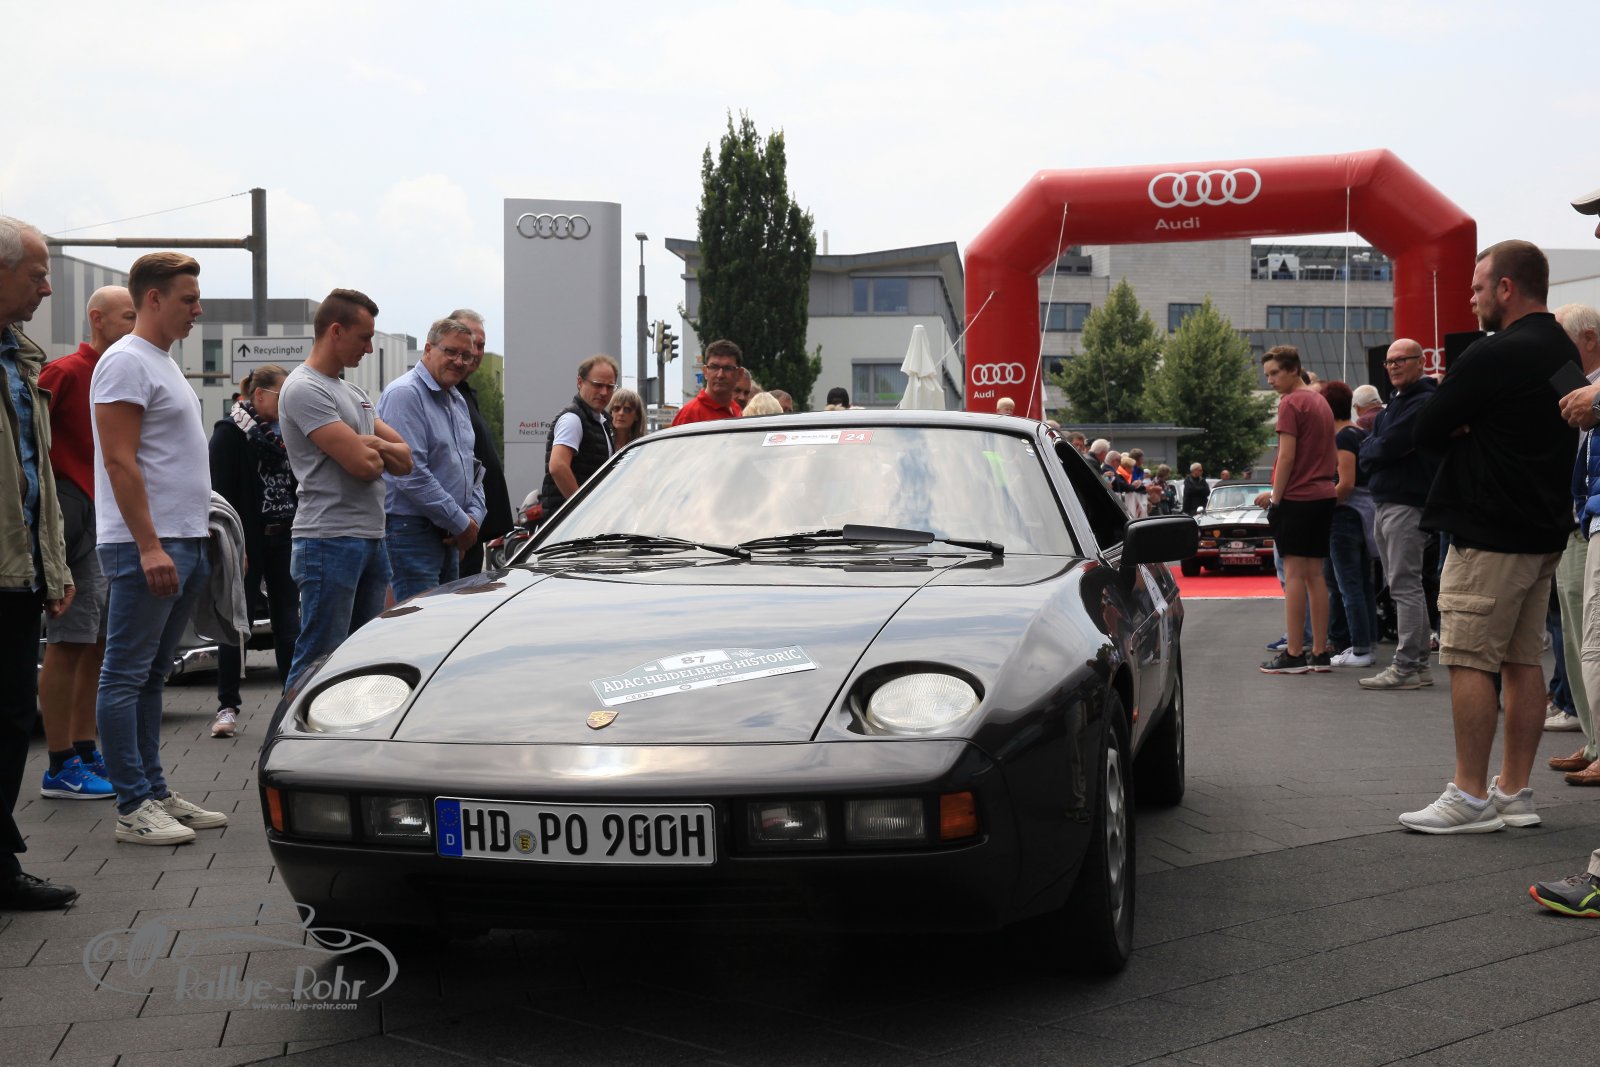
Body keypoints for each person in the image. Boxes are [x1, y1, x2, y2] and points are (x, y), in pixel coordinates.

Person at [1401, 240, 1578, 835]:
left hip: (1488, 529)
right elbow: (1572, 418)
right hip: (1542, 530)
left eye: (1478, 287)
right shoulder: (1561, 347)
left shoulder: (1492, 352)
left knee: (1469, 658)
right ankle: (1514, 792)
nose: (1472, 298)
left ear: (1506, 288)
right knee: (1523, 660)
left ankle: (1470, 795)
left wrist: (1468, 424)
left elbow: (1426, 427)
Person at [91, 252, 229, 845]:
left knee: (150, 675)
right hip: (145, 543)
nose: (198, 310)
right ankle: (132, 806)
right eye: (188, 299)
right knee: (125, 676)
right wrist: (149, 546)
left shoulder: (161, 361)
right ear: (153, 298)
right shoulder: (125, 362)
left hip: (183, 538)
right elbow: (119, 461)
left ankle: (152, 790)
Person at [0, 216, 78, 905]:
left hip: (19, 574)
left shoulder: (21, 360)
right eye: (37, 274)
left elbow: (36, 478)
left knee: (9, 720)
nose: (48, 288)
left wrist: (53, 567)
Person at [279, 289, 412, 694]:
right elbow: (365, 466)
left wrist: (370, 443)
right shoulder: (305, 388)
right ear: (336, 331)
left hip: (368, 537)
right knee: (319, 658)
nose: (369, 349)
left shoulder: (353, 394)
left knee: (360, 660)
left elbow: (405, 459)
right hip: (329, 539)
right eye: (364, 337)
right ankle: (288, 732)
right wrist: (372, 449)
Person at [37, 285, 135, 798]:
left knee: (94, 640)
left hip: (101, 516)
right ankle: (60, 762)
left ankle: (83, 747)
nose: (134, 325)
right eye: (127, 316)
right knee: (69, 639)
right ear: (98, 319)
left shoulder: (119, 373)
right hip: (71, 516)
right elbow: (29, 443)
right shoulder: (65, 373)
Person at [207, 364, 299, 738]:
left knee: (288, 622)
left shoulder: (291, 432)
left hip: (286, 536)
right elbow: (218, 492)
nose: (289, 403)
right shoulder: (229, 433)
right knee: (236, 623)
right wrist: (232, 543)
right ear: (259, 395)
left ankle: (292, 703)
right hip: (246, 540)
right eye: (282, 395)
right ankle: (227, 706)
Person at [377, 317, 486, 603]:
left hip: (448, 531)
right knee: (418, 622)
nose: (459, 361)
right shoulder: (405, 394)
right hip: (412, 532)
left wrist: (473, 518)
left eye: (466, 355)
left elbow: (472, 468)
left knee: (442, 622)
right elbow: (411, 474)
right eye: (450, 351)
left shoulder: (455, 398)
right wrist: (462, 523)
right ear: (428, 349)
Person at [1356, 339, 1440, 690]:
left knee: (1405, 586)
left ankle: (1407, 667)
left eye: (1401, 360)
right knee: (1405, 586)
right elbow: (1375, 448)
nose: (1393, 366)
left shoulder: (1421, 402)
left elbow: (1388, 445)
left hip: (1405, 503)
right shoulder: (1396, 404)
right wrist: (1375, 449)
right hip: (1391, 502)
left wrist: (1374, 449)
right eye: (1389, 362)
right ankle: (1416, 666)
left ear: (1421, 362)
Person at [1257, 345, 1337, 675]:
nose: (1270, 380)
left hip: (1298, 498)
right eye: (1267, 375)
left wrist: (1276, 499)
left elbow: (1287, 456)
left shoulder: (1291, 403)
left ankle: (1293, 653)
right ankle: (1319, 651)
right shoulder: (1320, 400)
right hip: (1324, 495)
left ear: (1293, 370)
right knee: (1316, 576)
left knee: (1293, 577)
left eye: (1275, 373)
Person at [1550, 304, 1600, 779]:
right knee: (1574, 638)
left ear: (1588, 338)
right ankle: (1592, 738)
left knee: (1593, 637)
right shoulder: (1572, 389)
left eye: (1561, 338)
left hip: (1591, 519)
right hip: (1575, 521)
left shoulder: (1592, 393)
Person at [447, 309, 513, 578]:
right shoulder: (441, 394)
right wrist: (458, 522)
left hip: (472, 529)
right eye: (469, 343)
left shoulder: (462, 394)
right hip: (457, 532)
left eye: (480, 345)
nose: (474, 352)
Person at [1320, 381, 1378, 669]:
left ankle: (1360, 647)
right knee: (1362, 584)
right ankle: (1366, 643)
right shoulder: (1359, 433)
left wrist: (1320, 504)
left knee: (1348, 584)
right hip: (1363, 516)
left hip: (1345, 516)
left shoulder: (1343, 437)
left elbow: (1345, 484)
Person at [538, 354, 618, 518]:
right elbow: (558, 466)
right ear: (580, 382)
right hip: (569, 522)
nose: (604, 392)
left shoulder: (601, 421)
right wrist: (583, 509)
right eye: (598, 385)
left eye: (610, 386)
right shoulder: (573, 419)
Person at [672, 341, 744, 425]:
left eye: (727, 368)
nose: (720, 375)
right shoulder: (689, 415)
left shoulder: (736, 409)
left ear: (739, 374)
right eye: (714, 367)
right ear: (705, 372)